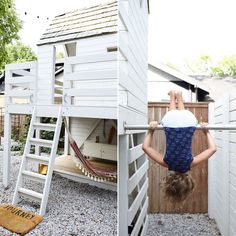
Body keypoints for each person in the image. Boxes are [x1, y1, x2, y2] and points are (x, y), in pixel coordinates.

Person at [142, 90, 217, 202]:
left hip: (189, 123)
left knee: (181, 116)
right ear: (169, 180)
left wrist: (206, 131)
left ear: (189, 181)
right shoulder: (166, 162)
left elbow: (213, 149)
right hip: (170, 123)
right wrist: (151, 130)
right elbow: (145, 147)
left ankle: (179, 96)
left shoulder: (190, 163)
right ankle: (173, 96)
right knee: (172, 117)